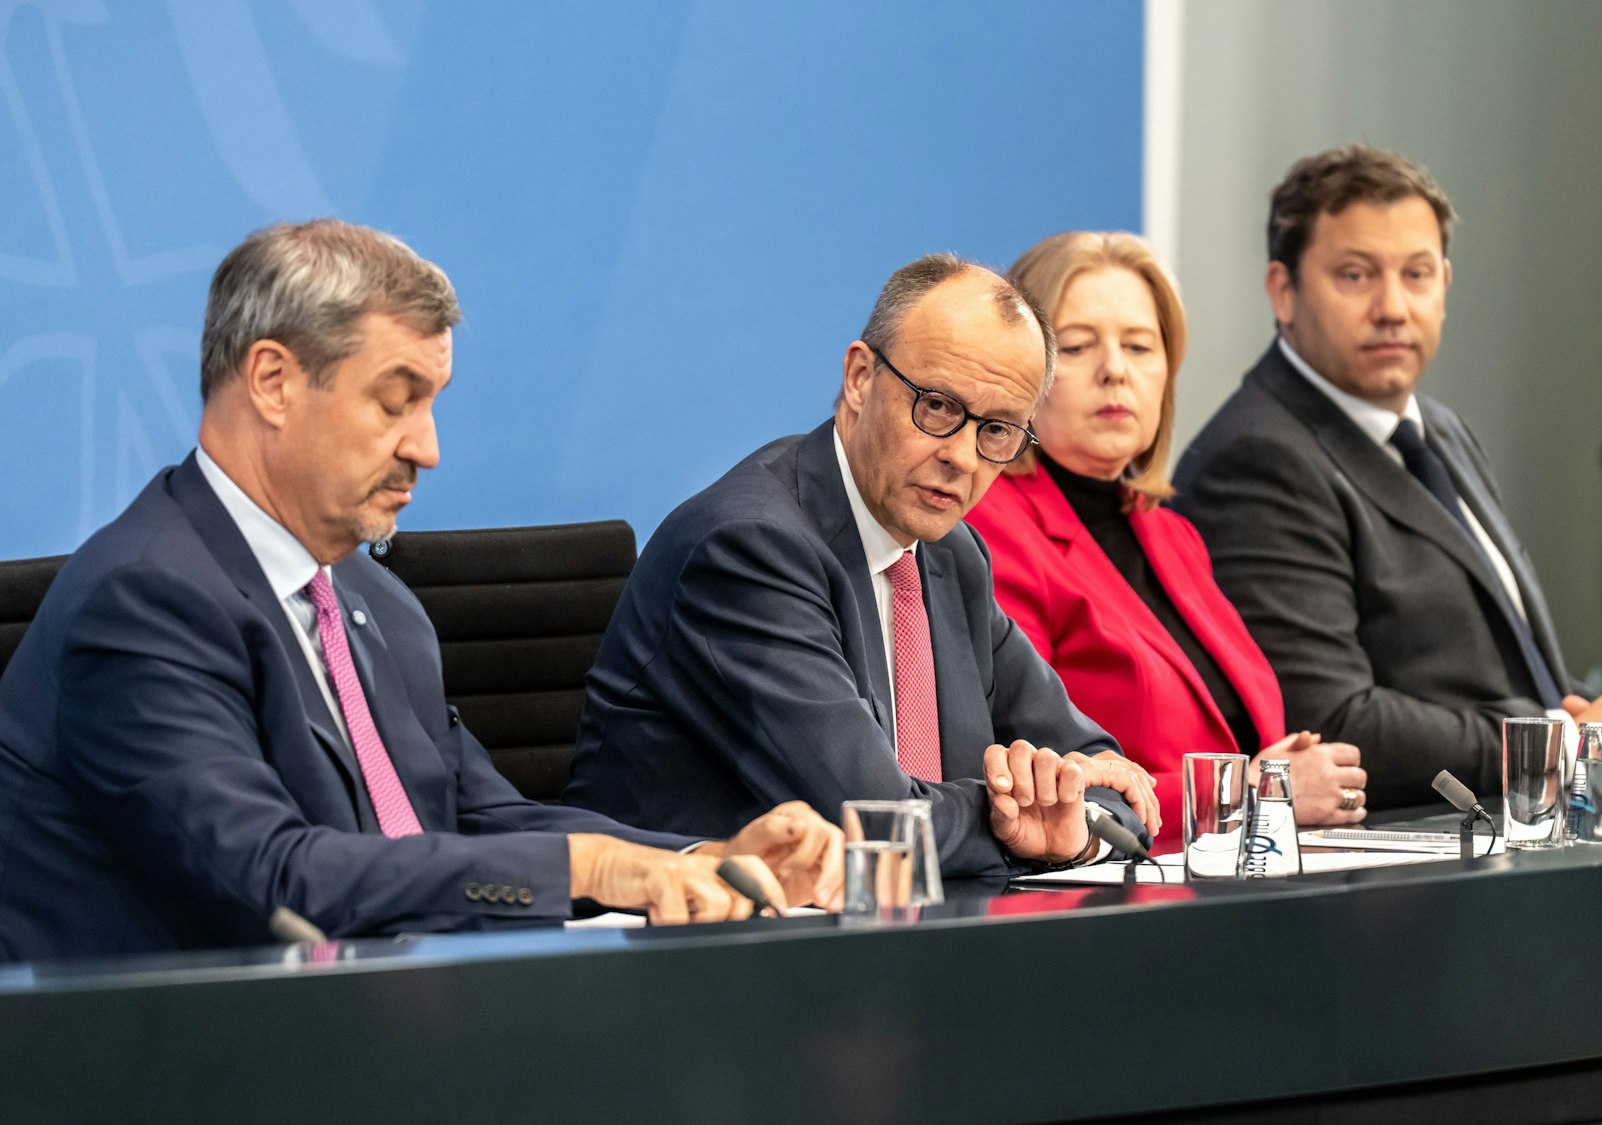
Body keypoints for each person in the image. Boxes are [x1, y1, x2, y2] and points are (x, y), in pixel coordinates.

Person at [0, 220, 844, 963]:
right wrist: (592, 867)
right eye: (396, 402)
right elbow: (274, 879)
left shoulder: (374, 600)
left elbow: (474, 816)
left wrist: (701, 856)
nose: (428, 447)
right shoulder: (146, 600)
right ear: (272, 380)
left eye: (432, 404)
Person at [565, 255, 1159, 874]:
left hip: (895, 940)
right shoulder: (747, 548)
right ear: (858, 377)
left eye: (999, 430)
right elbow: (875, 824)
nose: (962, 456)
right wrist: (1030, 822)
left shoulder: (954, 557)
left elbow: (1106, 776)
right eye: (936, 407)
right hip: (702, 944)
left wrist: (1076, 822)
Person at [1172, 145, 1602, 809]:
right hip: (1394, 881)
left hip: (1508, 837)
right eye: (1355, 275)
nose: (1393, 306)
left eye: (1417, 274)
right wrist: (1572, 743)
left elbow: (1497, 675)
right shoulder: (1258, 458)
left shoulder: (1440, 428)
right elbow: (1332, 726)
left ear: (1446, 286)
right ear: (1284, 291)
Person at [965, 231, 1367, 848]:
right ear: (1020, 371)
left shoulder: (1170, 531)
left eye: (1139, 346)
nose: (1115, 371)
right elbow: (1034, 781)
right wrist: (1252, 791)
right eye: (1075, 346)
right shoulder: (989, 528)